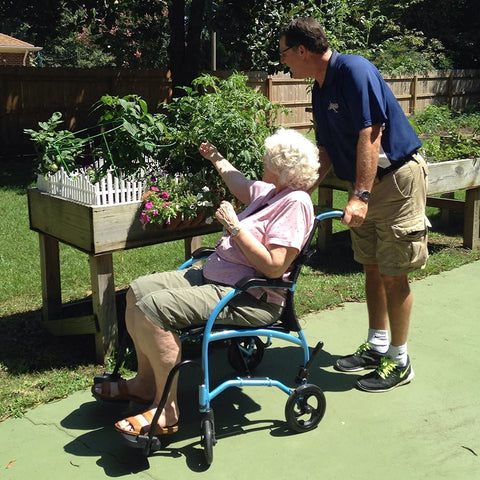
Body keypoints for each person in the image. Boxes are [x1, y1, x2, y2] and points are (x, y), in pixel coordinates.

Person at [91, 128, 320, 439]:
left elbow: (274, 266)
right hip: (216, 278)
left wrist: (236, 229)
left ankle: (167, 409)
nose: (261, 163)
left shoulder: (296, 204)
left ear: (281, 168)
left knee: (152, 309)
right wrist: (216, 158)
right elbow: (238, 182)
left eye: (267, 159)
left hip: (247, 296)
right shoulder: (271, 192)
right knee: (137, 291)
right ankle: (146, 382)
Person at [279, 18, 429, 392]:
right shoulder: (319, 87)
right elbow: (327, 150)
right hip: (363, 185)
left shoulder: (354, 70)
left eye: (283, 53)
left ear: (302, 50)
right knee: (373, 267)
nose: (283, 63)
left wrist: (360, 196)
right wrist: (300, 190)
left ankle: (399, 360)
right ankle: (377, 346)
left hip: (395, 182)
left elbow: (371, 132)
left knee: (394, 273)